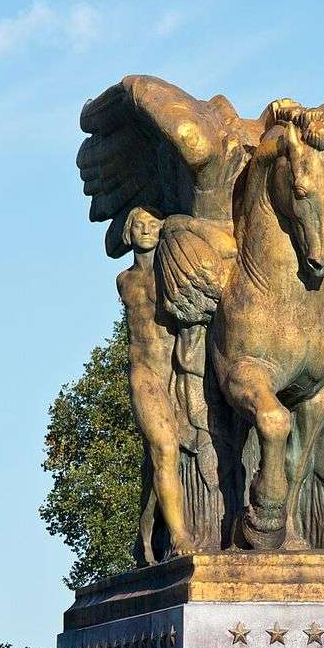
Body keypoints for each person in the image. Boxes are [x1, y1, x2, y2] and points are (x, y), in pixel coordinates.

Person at [117, 206, 194, 559]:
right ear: (128, 233)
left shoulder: (173, 276)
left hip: (176, 372)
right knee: (165, 450)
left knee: (156, 463)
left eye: (152, 225)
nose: (145, 230)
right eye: (138, 225)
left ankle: (145, 535)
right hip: (145, 374)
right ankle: (179, 537)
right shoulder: (125, 280)